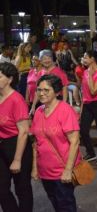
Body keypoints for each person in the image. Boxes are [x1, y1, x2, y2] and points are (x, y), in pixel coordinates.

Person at [30, 75, 80, 212]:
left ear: (57, 92)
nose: (41, 93)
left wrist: (68, 170)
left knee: (65, 205)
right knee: (55, 203)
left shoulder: (65, 110)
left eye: (46, 90)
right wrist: (35, 168)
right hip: (45, 171)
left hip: (61, 171)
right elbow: (36, 142)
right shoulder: (39, 112)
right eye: (39, 90)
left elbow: (75, 141)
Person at [0, 62, 33, 212]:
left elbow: (24, 132)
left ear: (10, 79)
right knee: (1, 189)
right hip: (2, 146)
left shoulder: (16, 99)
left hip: (17, 146)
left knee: (22, 189)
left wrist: (17, 160)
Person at [80, 50, 97, 165]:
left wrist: (91, 76)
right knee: (83, 129)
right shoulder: (85, 72)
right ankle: (91, 153)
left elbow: (93, 91)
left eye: (86, 57)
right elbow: (84, 92)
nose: (83, 59)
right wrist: (82, 108)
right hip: (87, 104)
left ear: (93, 59)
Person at [30, 50, 69, 114]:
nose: (47, 60)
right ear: (41, 61)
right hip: (44, 102)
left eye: (49, 58)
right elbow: (38, 90)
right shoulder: (41, 73)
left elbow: (64, 88)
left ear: (52, 59)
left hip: (57, 101)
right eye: (44, 58)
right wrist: (33, 106)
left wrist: (64, 104)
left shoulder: (59, 72)